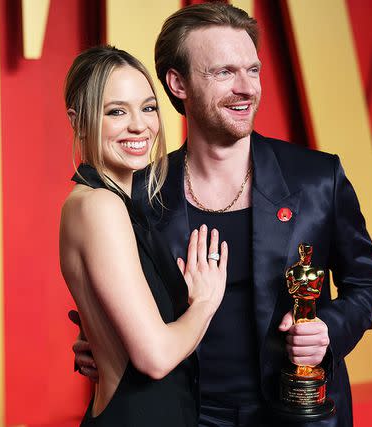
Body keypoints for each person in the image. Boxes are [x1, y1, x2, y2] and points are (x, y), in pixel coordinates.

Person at [73, 4, 372, 426]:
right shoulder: (139, 194)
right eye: (224, 72)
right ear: (178, 83)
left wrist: (328, 330)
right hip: (187, 417)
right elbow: (128, 302)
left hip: (297, 415)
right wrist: (102, 341)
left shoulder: (317, 177)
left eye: (252, 70)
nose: (246, 88)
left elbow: (367, 284)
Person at [60, 45, 229, 427]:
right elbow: (154, 357)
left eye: (148, 107)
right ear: (79, 120)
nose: (140, 125)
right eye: (116, 111)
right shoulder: (99, 206)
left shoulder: (111, 203)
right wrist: (204, 302)